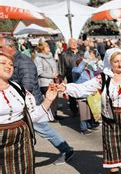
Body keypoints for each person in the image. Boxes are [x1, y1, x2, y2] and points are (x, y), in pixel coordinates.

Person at [0, 51, 59, 174]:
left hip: (21, 140)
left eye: (10, 63)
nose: (9, 66)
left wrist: (48, 99)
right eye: (3, 63)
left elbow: (32, 116)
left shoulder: (17, 88)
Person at [0, 36, 75, 165]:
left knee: (43, 129)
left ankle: (66, 150)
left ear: (10, 47)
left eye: (1, 47)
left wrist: (16, 99)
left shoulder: (23, 61)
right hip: (23, 104)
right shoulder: (14, 60)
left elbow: (27, 86)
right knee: (37, 130)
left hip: (29, 104)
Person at [35, 41, 59, 118]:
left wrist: (56, 74)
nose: (49, 48)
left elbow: (55, 66)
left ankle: (54, 115)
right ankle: (51, 116)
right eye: (47, 47)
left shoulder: (50, 56)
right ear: (42, 48)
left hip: (53, 80)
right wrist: (51, 76)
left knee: (55, 98)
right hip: (45, 82)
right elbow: (39, 72)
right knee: (50, 99)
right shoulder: (38, 58)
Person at [59, 38, 83, 115]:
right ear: (69, 44)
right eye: (72, 42)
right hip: (71, 75)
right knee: (72, 93)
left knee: (81, 93)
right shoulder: (64, 53)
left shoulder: (81, 52)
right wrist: (61, 77)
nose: (74, 44)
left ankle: (83, 110)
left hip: (81, 76)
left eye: (75, 42)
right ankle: (74, 110)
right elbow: (62, 66)